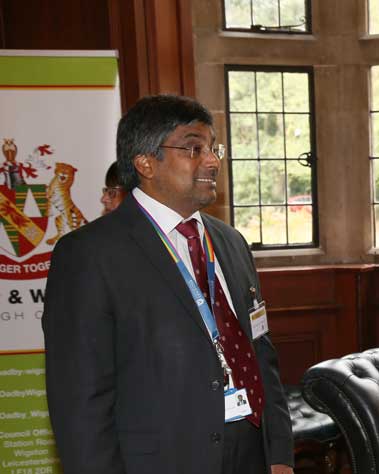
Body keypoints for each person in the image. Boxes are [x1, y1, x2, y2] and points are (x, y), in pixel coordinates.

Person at [42, 95, 294, 474]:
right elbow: (80, 403)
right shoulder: (89, 255)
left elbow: (262, 354)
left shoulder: (231, 243)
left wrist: (278, 455)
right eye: (194, 148)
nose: (211, 160)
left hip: (249, 453)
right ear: (145, 162)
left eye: (213, 148)